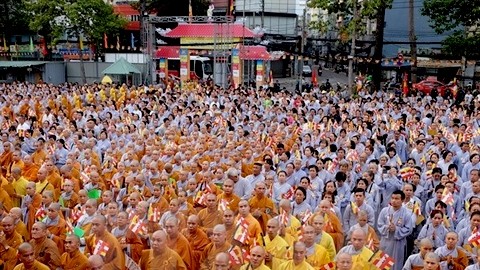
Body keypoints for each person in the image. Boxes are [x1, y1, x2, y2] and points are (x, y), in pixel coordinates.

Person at [378, 190, 413, 270]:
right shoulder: (384, 211)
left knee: (396, 264)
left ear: (402, 200)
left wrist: (396, 229)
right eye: (392, 198)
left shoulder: (406, 214)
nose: (394, 201)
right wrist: (387, 228)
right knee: (383, 264)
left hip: (398, 243)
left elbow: (408, 229)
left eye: (397, 198)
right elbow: (379, 225)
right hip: (385, 241)